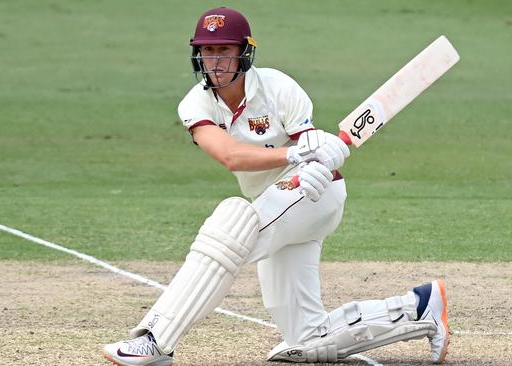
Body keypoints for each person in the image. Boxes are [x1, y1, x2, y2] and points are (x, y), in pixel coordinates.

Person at [103, 7, 449, 366]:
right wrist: (295, 155)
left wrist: (323, 157)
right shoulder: (195, 103)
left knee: (231, 224)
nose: (216, 61)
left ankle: (155, 340)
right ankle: (420, 308)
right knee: (307, 339)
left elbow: (312, 145)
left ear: (244, 53)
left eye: (224, 51)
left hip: (315, 194)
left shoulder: (278, 87)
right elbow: (232, 156)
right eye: (208, 51)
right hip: (271, 205)